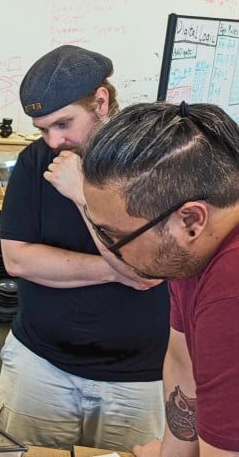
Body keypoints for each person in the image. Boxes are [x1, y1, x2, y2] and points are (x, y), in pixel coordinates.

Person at [0, 45, 169, 450]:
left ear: (101, 102)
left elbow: (150, 269)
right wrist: (117, 269)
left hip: (138, 377)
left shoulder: (151, 161)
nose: (54, 141)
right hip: (40, 364)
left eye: (63, 124)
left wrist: (83, 196)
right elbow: (17, 260)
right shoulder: (36, 161)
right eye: (42, 129)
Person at [81, 101, 239, 456]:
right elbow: (183, 363)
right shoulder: (190, 251)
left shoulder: (231, 294)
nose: (109, 248)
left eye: (113, 235)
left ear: (190, 221)